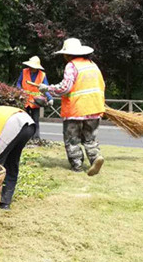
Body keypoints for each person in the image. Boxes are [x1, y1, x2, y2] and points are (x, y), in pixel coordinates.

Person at [38, 38, 105, 176]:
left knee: (72, 140)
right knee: (90, 139)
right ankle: (95, 158)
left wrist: (48, 89)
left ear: (68, 54)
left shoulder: (72, 66)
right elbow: (102, 85)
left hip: (76, 110)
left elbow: (65, 88)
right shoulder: (93, 65)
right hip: (94, 108)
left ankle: (77, 166)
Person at [16, 56, 53, 140]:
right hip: (25, 99)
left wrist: (50, 98)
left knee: (35, 120)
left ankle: (36, 138)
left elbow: (46, 88)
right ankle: (25, 138)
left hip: (36, 101)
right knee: (25, 120)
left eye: (33, 67)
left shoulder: (42, 75)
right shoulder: (24, 72)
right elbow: (18, 83)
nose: (31, 68)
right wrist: (20, 91)